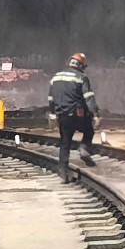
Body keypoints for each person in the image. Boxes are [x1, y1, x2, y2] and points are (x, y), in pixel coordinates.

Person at [48, 52, 99, 181]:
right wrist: (95, 114)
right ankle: (83, 148)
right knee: (89, 130)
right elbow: (88, 98)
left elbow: (51, 99)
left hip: (62, 115)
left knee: (65, 143)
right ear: (80, 65)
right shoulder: (81, 77)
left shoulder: (56, 77)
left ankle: (63, 173)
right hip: (78, 114)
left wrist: (52, 114)